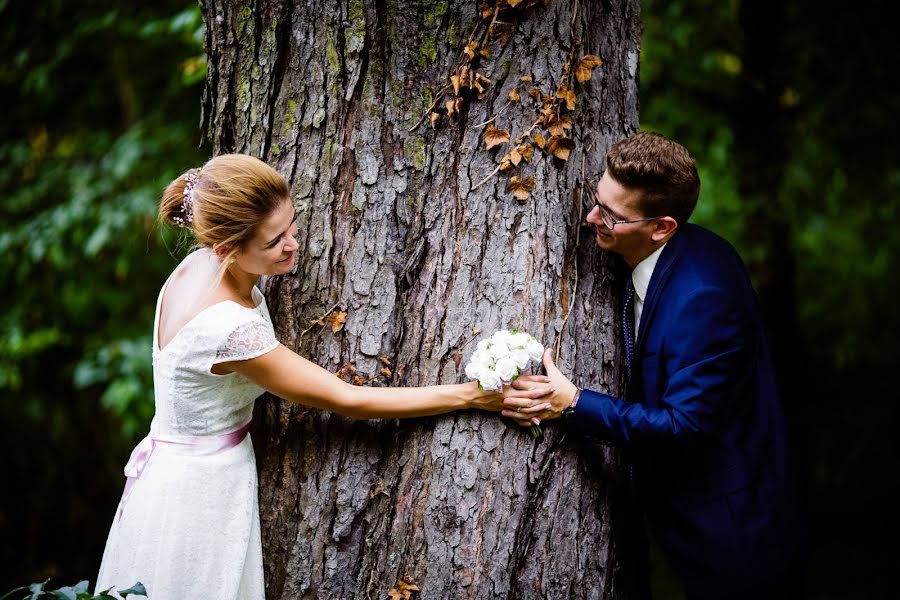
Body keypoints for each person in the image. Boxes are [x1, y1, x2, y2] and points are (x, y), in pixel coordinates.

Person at [94, 154, 553, 599]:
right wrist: (472, 396)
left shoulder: (196, 268)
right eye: (274, 242)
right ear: (227, 249)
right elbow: (347, 399)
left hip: (168, 473)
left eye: (291, 226)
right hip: (199, 494)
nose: (293, 244)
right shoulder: (228, 330)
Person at [504, 132, 805, 600]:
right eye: (596, 200)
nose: (590, 219)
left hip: (729, 533)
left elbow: (683, 425)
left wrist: (574, 403)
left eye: (611, 216)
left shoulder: (704, 297)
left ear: (662, 227)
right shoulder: (674, 249)